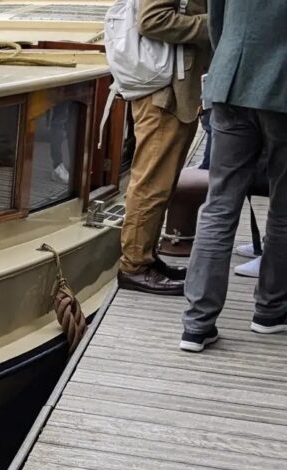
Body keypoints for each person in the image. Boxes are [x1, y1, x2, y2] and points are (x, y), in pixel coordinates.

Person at [180, 0, 287, 351]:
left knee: (219, 204)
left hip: (232, 79)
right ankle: (270, 311)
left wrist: (229, 58)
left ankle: (197, 324)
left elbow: (217, 18)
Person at [116, 0, 211, 295]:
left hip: (175, 91)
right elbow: (152, 20)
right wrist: (216, 23)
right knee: (151, 184)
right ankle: (134, 267)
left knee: (160, 183)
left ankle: (146, 258)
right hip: (164, 94)